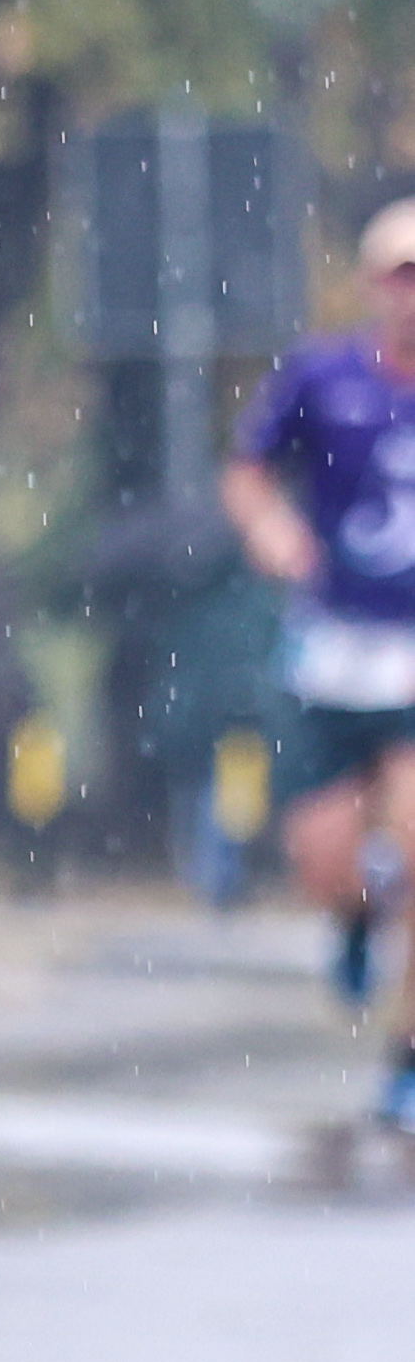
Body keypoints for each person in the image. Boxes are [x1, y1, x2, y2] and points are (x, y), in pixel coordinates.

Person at [222, 196, 415, 1127]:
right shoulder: (322, 375)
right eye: (403, 276)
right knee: (325, 859)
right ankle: (351, 918)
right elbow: (248, 469)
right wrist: (268, 525)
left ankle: (407, 1058)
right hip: (333, 648)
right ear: (376, 284)